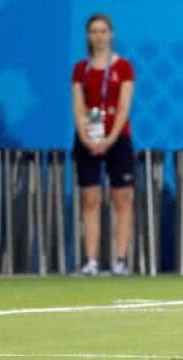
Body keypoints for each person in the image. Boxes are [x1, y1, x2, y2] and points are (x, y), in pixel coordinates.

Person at [72, 14, 136, 276]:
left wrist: (110, 138)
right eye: (94, 31)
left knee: (121, 198)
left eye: (103, 31)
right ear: (88, 36)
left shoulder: (123, 68)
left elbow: (124, 107)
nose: (99, 36)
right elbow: (79, 106)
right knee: (90, 198)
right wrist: (86, 137)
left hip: (117, 139)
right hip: (88, 139)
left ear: (111, 34)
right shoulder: (80, 70)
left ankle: (120, 260)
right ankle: (92, 261)